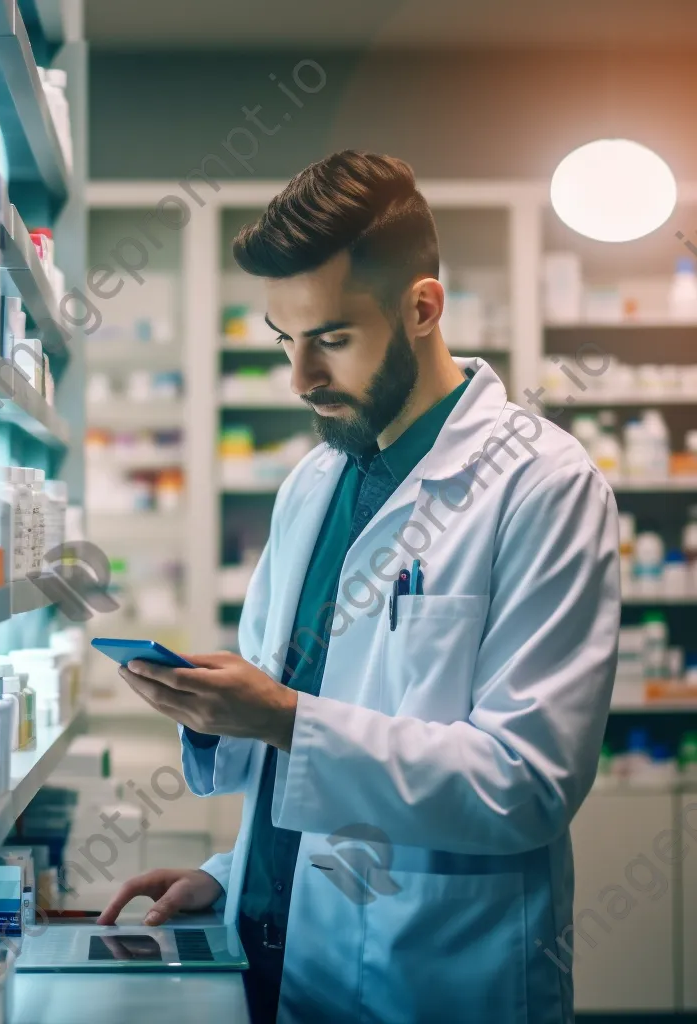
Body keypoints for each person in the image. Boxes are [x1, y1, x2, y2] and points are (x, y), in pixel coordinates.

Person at [97, 151, 620, 1024]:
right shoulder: (313, 483)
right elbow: (305, 757)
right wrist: (231, 877)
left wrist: (280, 716)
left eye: (331, 340)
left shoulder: (542, 485)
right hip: (272, 952)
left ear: (423, 308)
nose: (300, 378)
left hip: (437, 978)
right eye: (284, 340)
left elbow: (525, 785)